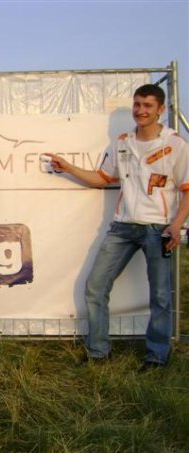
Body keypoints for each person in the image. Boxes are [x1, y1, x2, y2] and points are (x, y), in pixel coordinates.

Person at [46, 84, 189, 370]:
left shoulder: (176, 145)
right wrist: (68, 167)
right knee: (95, 286)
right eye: (137, 104)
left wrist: (176, 225)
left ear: (161, 109)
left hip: (158, 229)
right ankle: (99, 352)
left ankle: (156, 357)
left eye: (148, 105)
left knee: (161, 296)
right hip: (122, 227)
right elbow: (102, 178)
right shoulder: (123, 142)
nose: (141, 111)